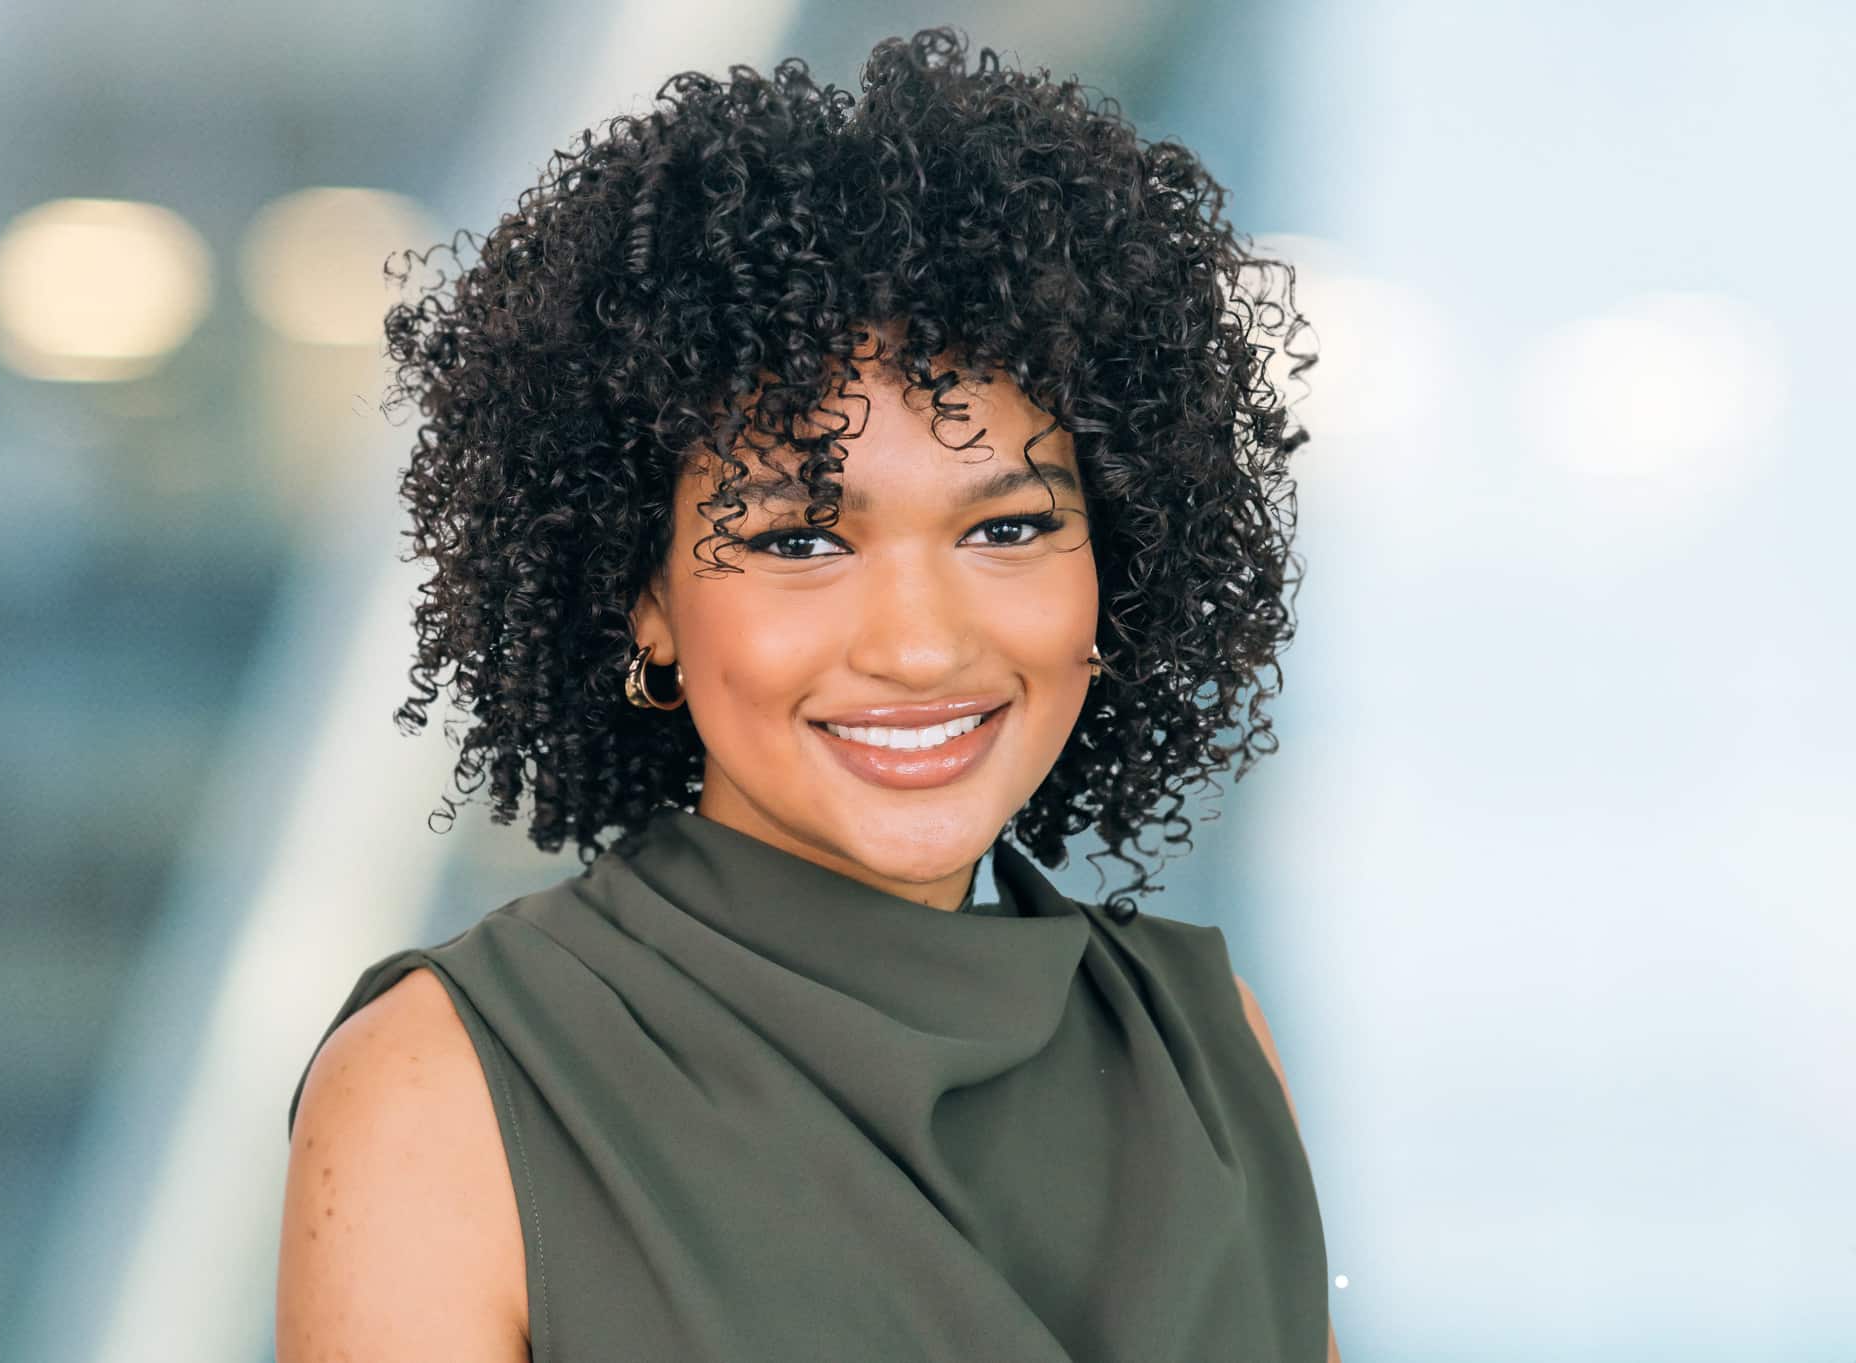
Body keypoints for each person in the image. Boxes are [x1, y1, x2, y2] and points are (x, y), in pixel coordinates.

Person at [276, 25, 1333, 1363]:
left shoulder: (1206, 1050)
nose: (919, 647)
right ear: (644, 594)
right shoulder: (450, 1083)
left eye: (1008, 528)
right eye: (800, 542)